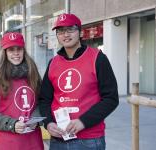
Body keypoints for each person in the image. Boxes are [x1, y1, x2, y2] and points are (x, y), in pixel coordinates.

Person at [39, 13, 119, 150]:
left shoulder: (98, 58)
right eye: (61, 31)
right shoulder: (53, 63)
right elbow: (44, 99)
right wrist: (48, 123)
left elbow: (111, 99)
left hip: (89, 140)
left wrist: (83, 122)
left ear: (80, 32)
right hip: (59, 139)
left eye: (70, 29)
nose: (65, 34)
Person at [0, 32, 44, 150]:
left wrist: (36, 119)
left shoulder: (32, 73)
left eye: (19, 49)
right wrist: (12, 124)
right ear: (4, 53)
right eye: (11, 50)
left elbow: (41, 102)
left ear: (24, 50)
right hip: (6, 143)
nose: (16, 53)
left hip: (33, 142)